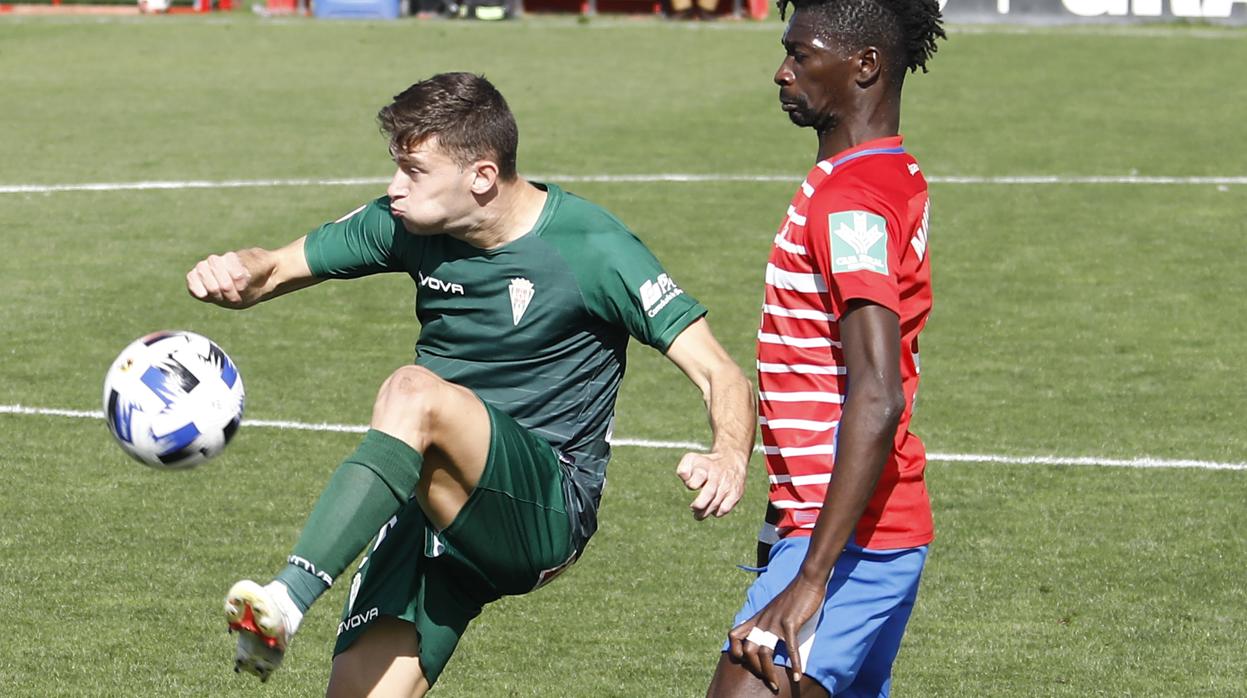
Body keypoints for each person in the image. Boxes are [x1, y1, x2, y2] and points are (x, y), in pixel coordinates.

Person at [185, 72, 754, 696]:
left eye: (414, 171)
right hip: (435, 502)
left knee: (413, 391)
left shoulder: (593, 247)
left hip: (542, 507)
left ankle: (287, 603)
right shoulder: (405, 223)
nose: (393, 188)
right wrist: (238, 271)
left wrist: (728, 453)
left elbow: (719, 371)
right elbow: (271, 270)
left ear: (481, 177)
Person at [705, 1, 944, 696]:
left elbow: (876, 392)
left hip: (848, 543)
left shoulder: (850, 203)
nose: (781, 73)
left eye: (801, 55)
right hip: (849, 527)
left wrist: (810, 577)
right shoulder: (886, 171)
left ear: (863, 64)